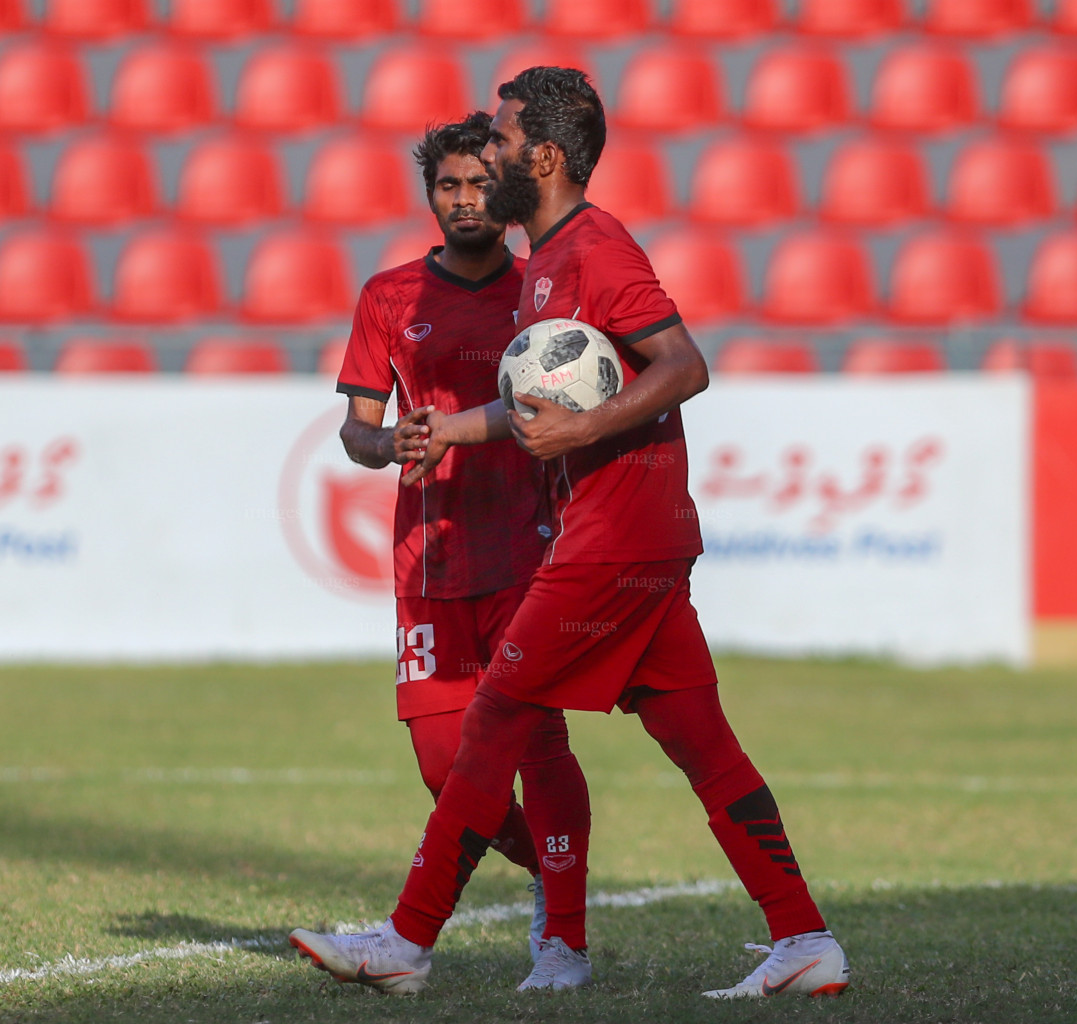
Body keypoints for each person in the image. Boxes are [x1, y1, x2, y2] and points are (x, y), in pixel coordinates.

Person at [291, 67, 850, 1000]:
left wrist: (587, 431)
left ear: (543, 156)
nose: (489, 154)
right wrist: (453, 431)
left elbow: (684, 364)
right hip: (637, 535)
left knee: (499, 718)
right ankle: (804, 938)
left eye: (502, 142)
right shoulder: (546, 262)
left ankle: (406, 941)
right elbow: (540, 407)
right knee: (701, 742)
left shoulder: (595, 248)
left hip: (611, 535)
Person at [322, 113, 593, 990]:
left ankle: (563, 935)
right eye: (450, 185)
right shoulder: (389, 296)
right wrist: (387, 444)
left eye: (481, 183)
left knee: (537, 744)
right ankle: (546, 874)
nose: (466, 199)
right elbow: (357, 432)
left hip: (530, 551)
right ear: (430, 193)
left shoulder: (541, 292)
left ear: (504, 192)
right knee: (447, 765)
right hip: (428, 559)